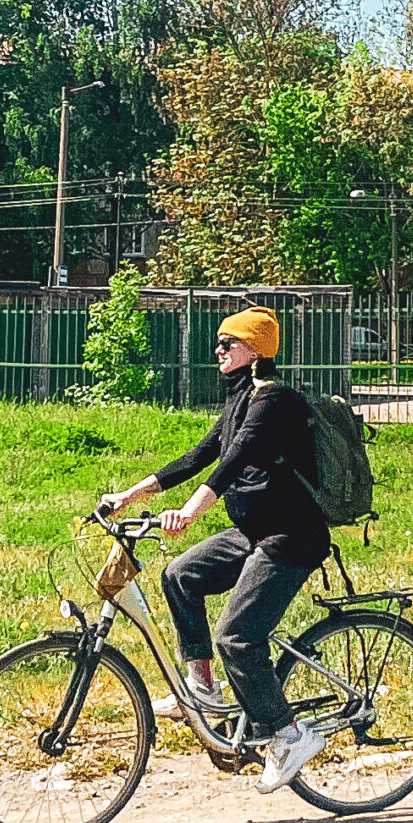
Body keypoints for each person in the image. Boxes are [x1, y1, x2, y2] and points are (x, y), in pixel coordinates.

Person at [103, 307, 330, 794]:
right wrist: (128, 496)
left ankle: (290, 735)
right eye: (219, 342)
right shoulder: (240, 400)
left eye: (229, 343)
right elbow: (200, 456)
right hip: (253, 531)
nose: (218, 350)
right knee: (180, 576)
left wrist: (188, 513)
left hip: (291, 538)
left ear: (256, 350)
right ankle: (202, 685)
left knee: (238, 637)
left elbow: (233, 463)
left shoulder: (274, 400)